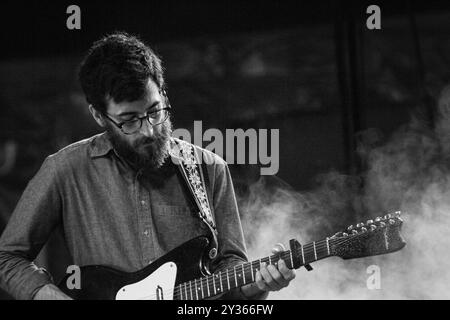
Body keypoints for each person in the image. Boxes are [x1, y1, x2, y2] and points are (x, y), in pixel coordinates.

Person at [0, 32, 295, 300]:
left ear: (164, 94)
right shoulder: (64, 170)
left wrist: (257, 285)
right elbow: (6, 258)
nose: (149, 131)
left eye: (155, 111)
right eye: (129, 120)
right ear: (99, 116)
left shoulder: (208, 168)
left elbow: (230, 272)